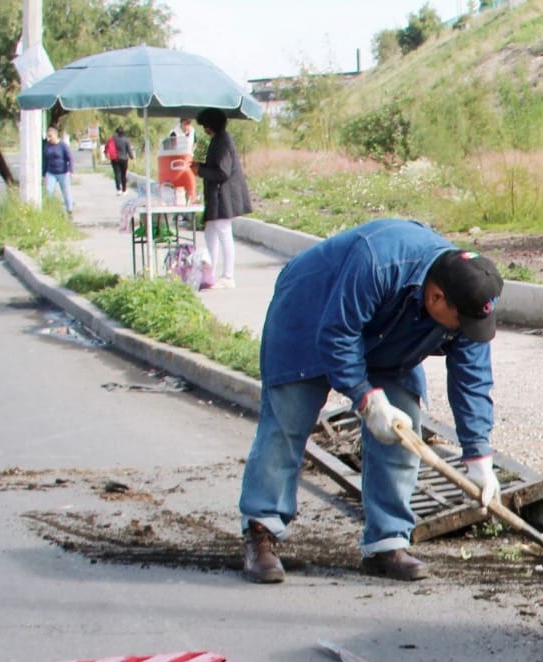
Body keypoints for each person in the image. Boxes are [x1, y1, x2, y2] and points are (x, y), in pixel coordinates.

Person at [238, 220, 505, 584]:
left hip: (391, 335)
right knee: (286, 425)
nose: (464, 332)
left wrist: (479, 457)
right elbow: (337, 336)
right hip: (309, 314)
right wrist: (365, 398)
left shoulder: (471, 295)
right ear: (436, 298)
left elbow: (472, 377)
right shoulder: (377, 261)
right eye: (460, 324)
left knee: (402, 432)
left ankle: (386, 543)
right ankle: (261, 532)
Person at [191, 108, 252, 289]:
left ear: (211, 125)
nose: (204, 130)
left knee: (224, 232)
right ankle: (210, 273)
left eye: (205, 126)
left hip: (224, 195)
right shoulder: (218, 140)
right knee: (211, 231)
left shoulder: (222, 141)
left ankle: (228, 275)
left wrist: (200, 171)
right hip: (217, 195)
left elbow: (222, 172)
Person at [42, 127, 75, 213]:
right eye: (48, 136)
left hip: (63, 173)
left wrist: (71, 171)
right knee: (48, 191)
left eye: (50, 136)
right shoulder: (47, 146)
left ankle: (69, 210)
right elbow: (45, 160)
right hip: (51, 172)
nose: (49, 138)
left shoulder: (63, 146)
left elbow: (70, 158)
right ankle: (50, 211)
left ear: (56, 135)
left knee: (66, 192)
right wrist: (44, 174)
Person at [107, 128, 133, 193]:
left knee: (117, 174)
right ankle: (124, 190)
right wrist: (131, 157)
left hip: (115, 159)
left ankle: (118, 189)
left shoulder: (112, 139)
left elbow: (107, 147)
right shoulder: (126, 140)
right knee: (123, 174)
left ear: (116, 132)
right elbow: (129, 150)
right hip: (124, 159)